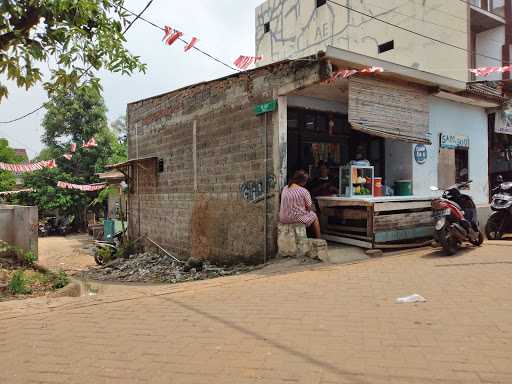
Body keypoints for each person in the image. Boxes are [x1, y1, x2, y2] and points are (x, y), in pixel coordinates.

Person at [279, 170, 321, 238]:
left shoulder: (285, 188)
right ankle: (319, 239)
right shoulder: (304, 191)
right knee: (314, 215)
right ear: (304, 181)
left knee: (305, 214)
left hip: (283, 218)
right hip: (296, 219)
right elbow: (309, 208)